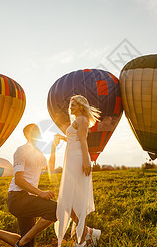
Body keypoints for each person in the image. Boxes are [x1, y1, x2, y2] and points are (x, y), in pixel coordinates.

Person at [0, 123, 60, 247]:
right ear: (26, 135)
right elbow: (18, 180)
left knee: (27, 244)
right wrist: (40, 193)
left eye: (38, 131)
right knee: (56, 209)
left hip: (28, 198)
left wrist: (53, 147)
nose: (37, 134)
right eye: (33, 131)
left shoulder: (38, 153)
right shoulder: (22, 150)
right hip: (18, 198)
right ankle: (22, 241)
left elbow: (51, 168)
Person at [54, 95, 102, 247]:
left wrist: (86, 161)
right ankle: (87, 232)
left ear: (81, 106)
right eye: (70, 104)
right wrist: (61, 137)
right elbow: (74, 139)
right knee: (70, 198)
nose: (71, 107)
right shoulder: (77, 121)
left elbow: (83, 140)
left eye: (74, 104)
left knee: (77, 200)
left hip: (78, 160)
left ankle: (81, 241)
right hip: (72, 160)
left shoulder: (81, 120)